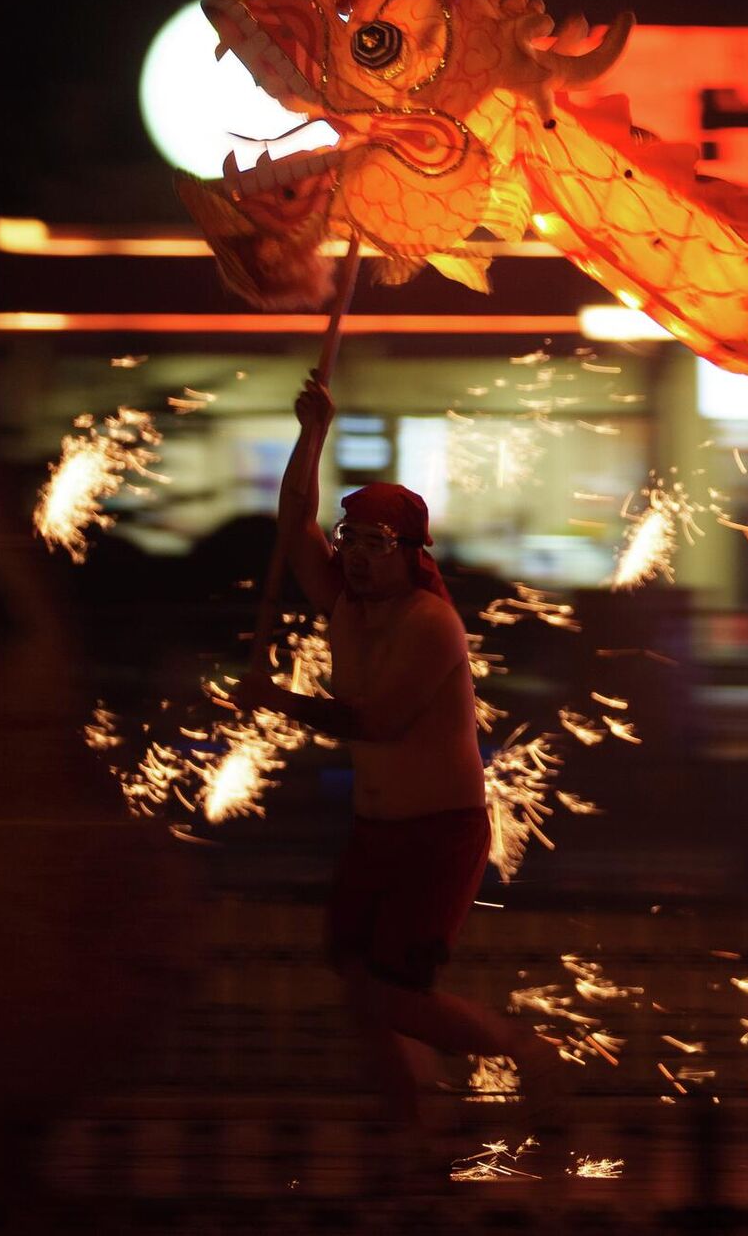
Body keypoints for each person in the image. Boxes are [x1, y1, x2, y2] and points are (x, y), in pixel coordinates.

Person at [236, 375, 566, 1179]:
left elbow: (379, 720)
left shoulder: (430, 622)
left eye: (375, 543)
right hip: (375, 830)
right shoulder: (347, 604)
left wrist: (275, 699)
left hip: (437, 833)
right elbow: (293, 523)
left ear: (412, 553)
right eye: (349, 538)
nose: (353, 554)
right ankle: (416, 1131)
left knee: (391, 991)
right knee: (360, 987)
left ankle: (523, 1048)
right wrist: (312, 432)